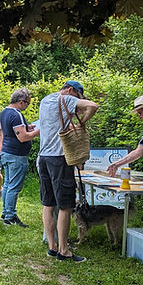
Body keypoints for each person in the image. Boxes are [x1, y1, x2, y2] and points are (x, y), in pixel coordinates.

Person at [38, 80, 99, 262]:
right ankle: (64, 251)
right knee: (65, 206)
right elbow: (93, 106)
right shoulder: (66, 100)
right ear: (70, 90)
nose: (78, 101)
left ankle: (52, 246)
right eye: (78, 96)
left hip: (43, 157)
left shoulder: (45, 100)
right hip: (59, 158)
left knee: (48, 204)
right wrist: (82, 123)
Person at [0, 88, 40, 227]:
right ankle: (10, 216)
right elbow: (22, 137)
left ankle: (5, 213)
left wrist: (27, 127)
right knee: (14, 187)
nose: (27, 106)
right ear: (21, 102)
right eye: (27, 103)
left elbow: (13, 130)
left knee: (7, 184)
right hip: (16, 155)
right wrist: (37, 132)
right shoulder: (16, 115)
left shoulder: (5, 112)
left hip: (7, 152)